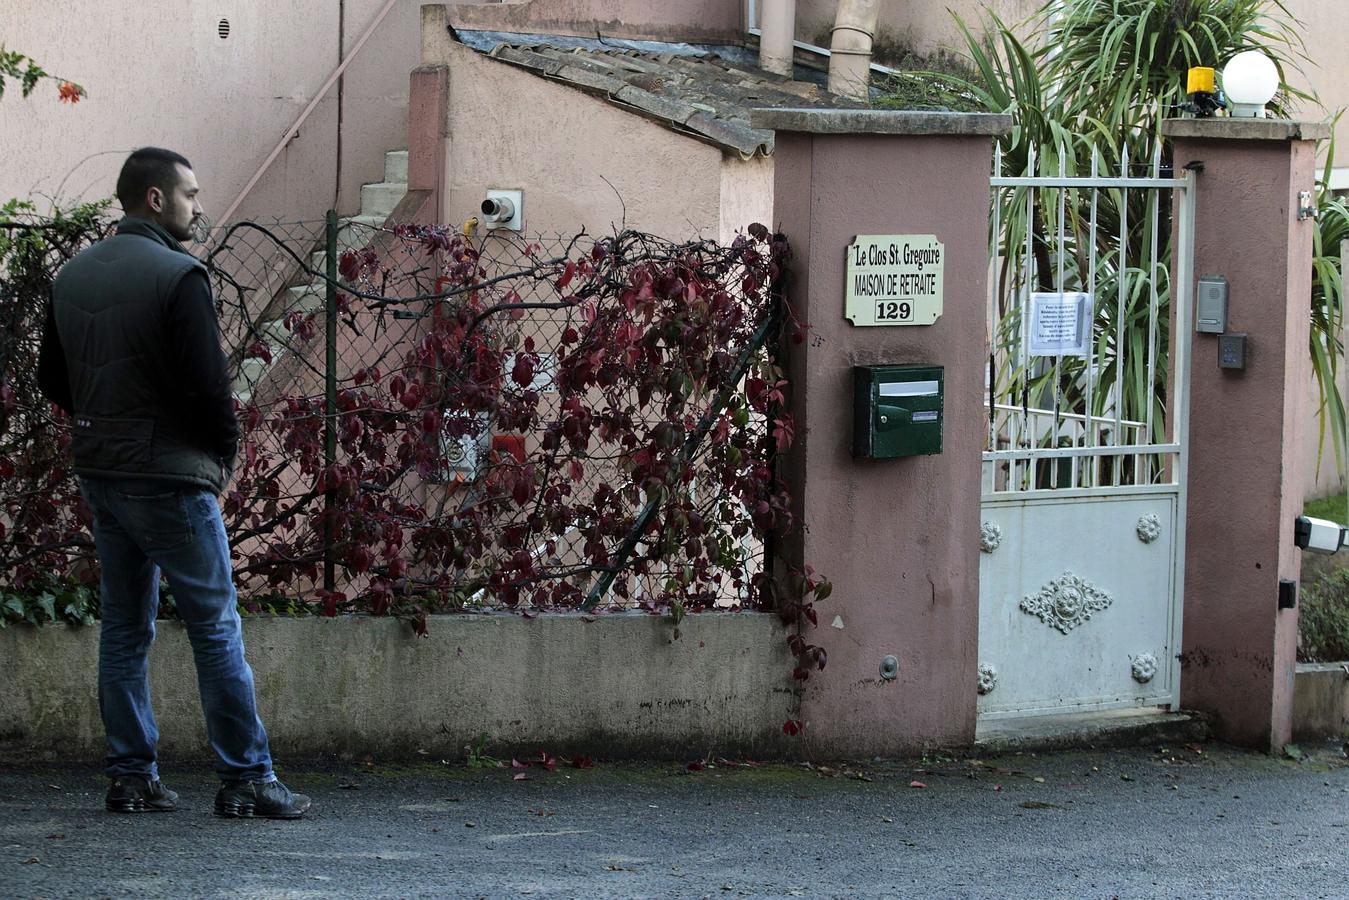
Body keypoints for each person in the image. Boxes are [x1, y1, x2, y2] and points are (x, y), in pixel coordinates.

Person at [38, 147, 310, 819]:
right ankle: (246, 777)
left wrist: (110, 422)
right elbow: (210, 390)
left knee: (125, 628)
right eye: (189, 193)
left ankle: (131, 777)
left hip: (103, 470)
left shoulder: (71, 276)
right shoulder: (179, 275)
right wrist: (220, 457)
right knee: (214, 626)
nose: (198, 205)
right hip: (169, 477)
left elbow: (52, 378)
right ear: (155, 199)